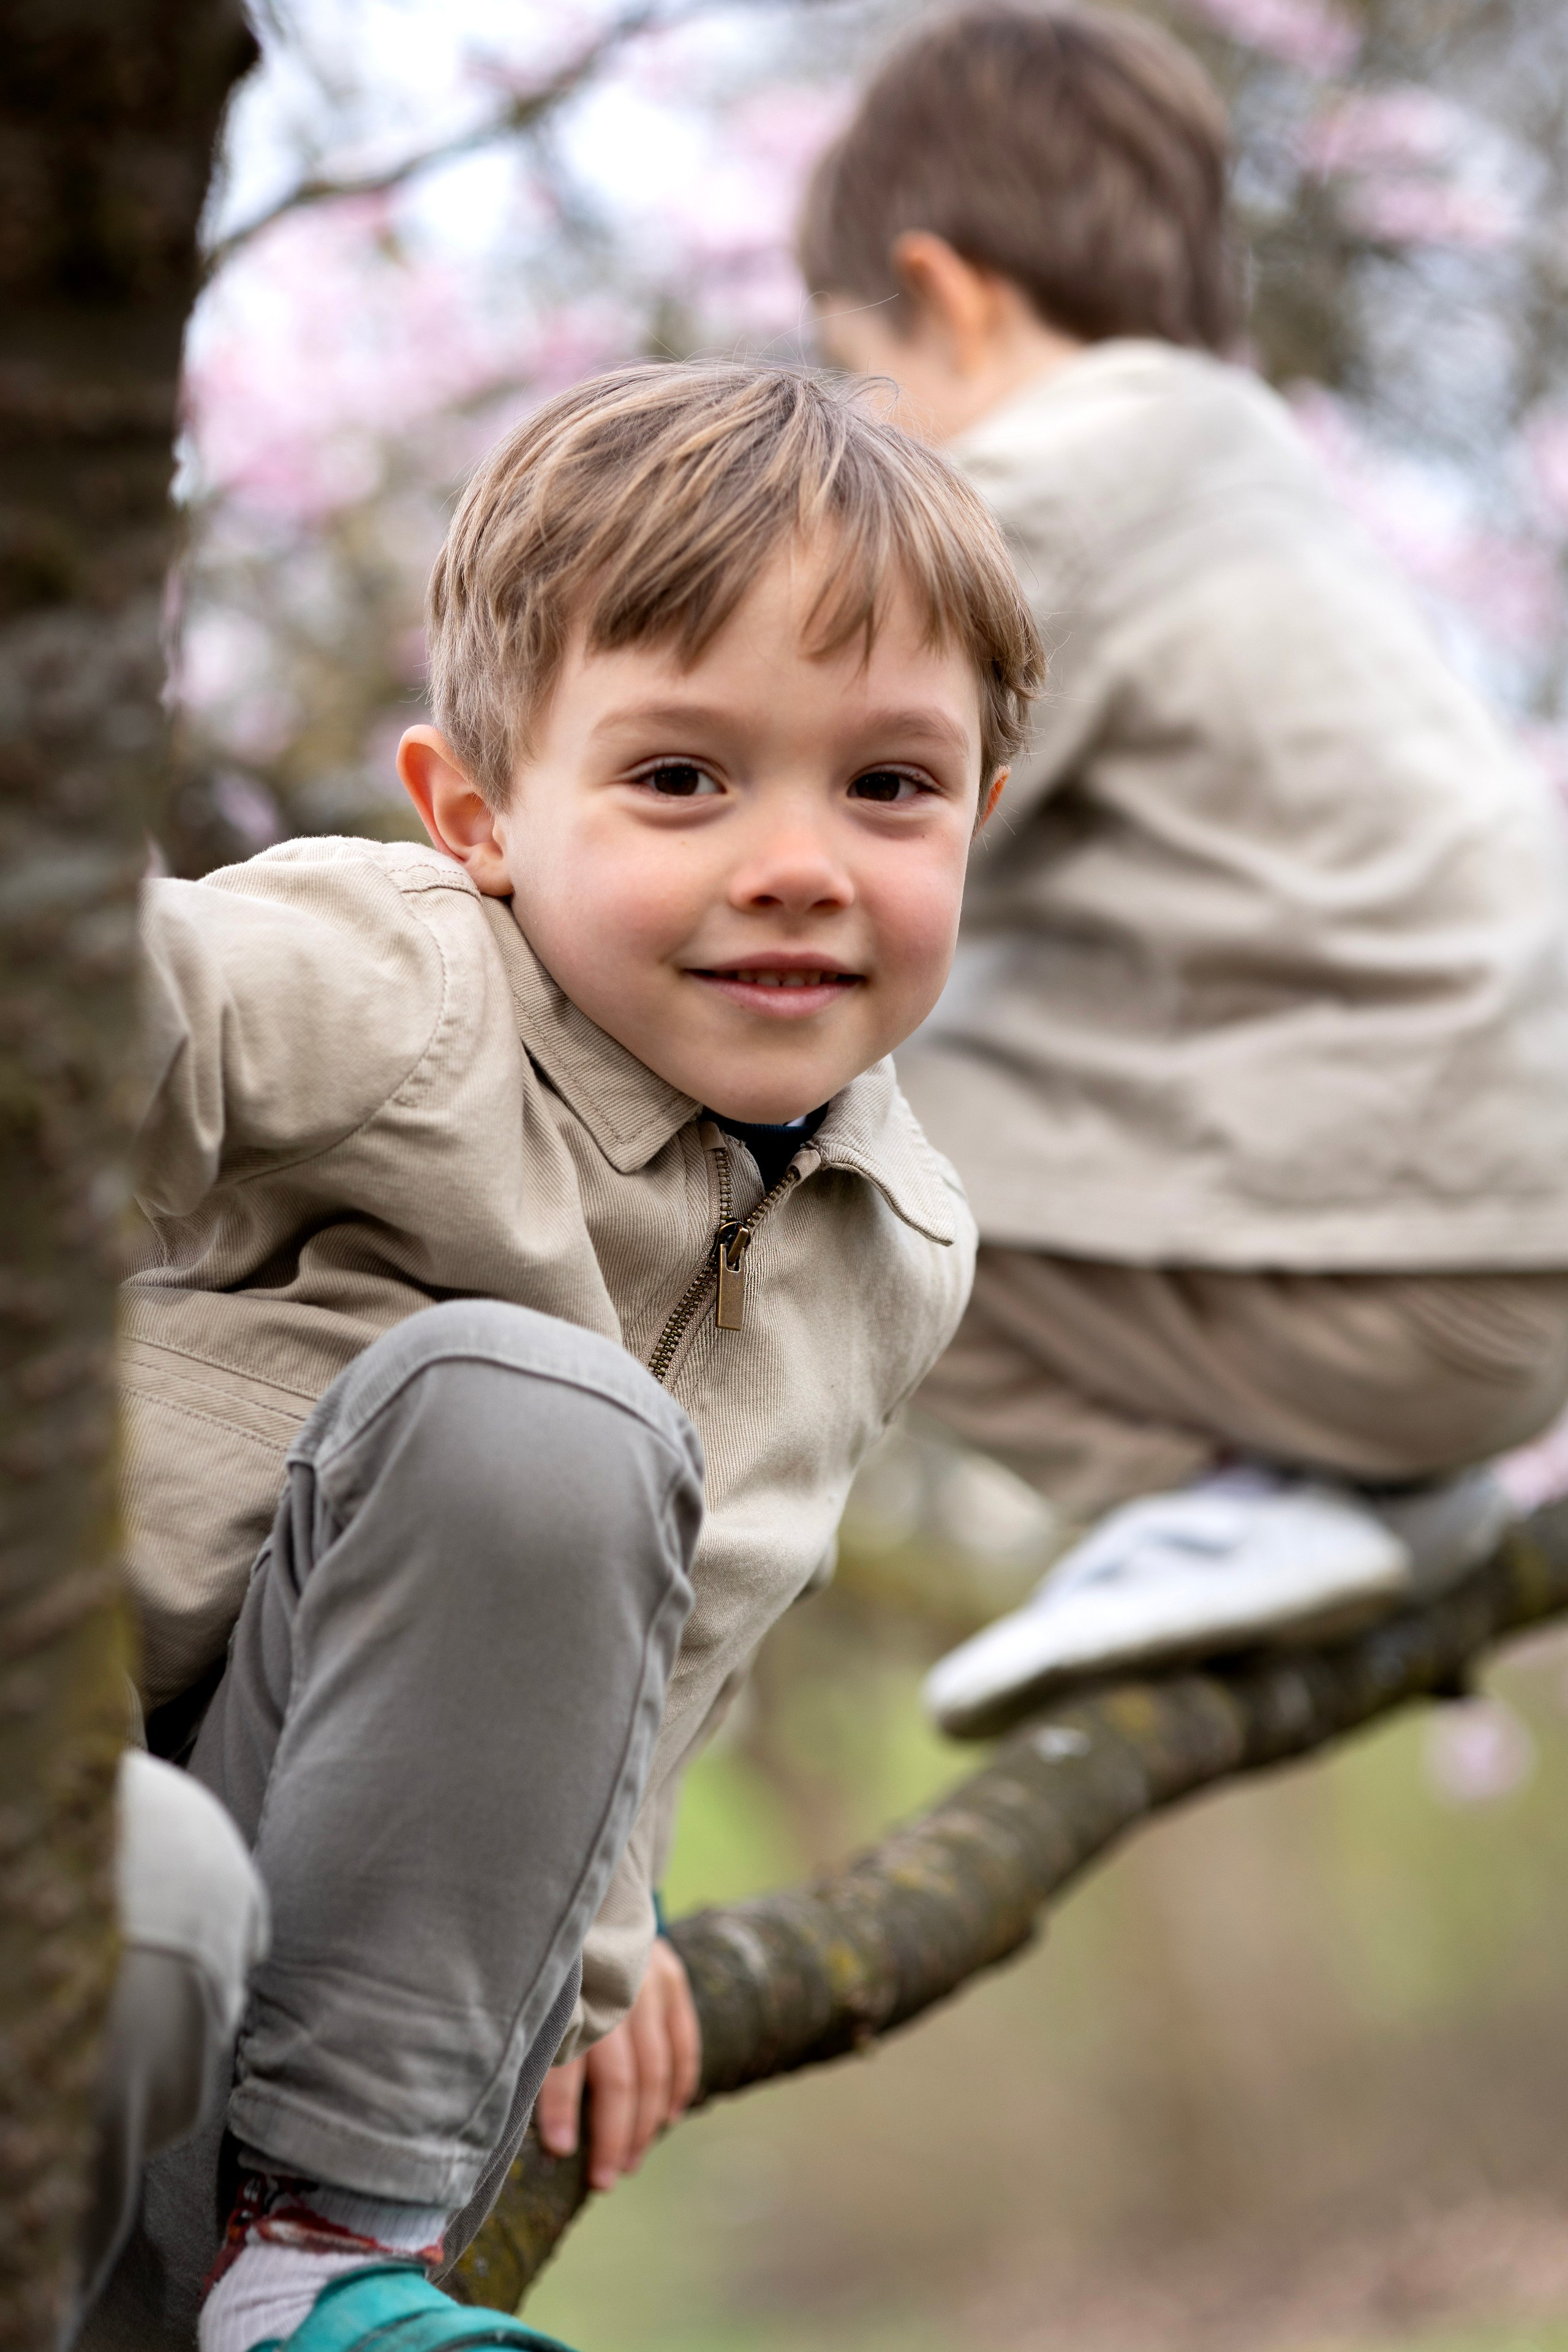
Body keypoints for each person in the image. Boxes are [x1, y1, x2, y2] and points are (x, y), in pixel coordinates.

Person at [95, 361, 1041, 2352]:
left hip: (307, 2098)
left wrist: (602, 1938)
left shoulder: (898, 1241)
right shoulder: (402, 979)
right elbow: (101, 1013)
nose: (796, 860)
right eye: (684, 778)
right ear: (479, 819)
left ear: (981, 816)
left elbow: (654, 1660)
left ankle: (318, 2281)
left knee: (575, 1457)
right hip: (84, 1890)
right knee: (170, 1848)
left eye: (888, 785)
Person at [801, 4, 1568, 1738]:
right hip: (1502, 1269)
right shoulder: (1246, 462)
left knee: (787, 1131)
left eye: (869, 366)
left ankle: (1212, 1495)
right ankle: (1346, 1499)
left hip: (1375, 1267)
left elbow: (816, 820)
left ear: (953, 293)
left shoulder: (1039, 488)